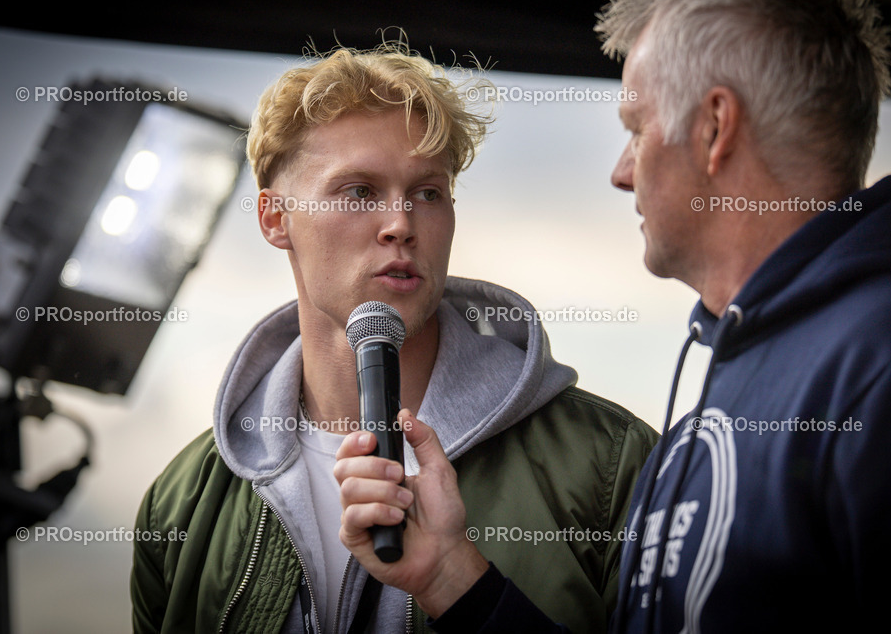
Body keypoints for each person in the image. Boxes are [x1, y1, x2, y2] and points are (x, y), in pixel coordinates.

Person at [332, 0, 891, 632]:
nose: (621, 172)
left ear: (715, 126)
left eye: (635, 127)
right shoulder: (726, 390)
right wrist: (449, 573)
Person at [129, 43, 658, 634]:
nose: (400, 224)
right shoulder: (181, 503)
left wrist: (456, 583)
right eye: (358, 192)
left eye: (427, 193)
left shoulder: (611, 466)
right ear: (275, 219)